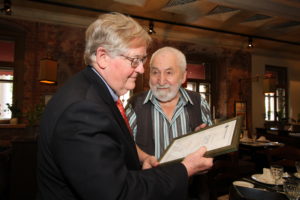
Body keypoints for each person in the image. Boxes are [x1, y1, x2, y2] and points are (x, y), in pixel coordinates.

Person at [37, 12, 213, 200]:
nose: (141, 69)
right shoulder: (84, 109)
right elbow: (117, 193)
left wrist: (143, 158)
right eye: (134, 60)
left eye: (142, 60)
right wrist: (185, 169)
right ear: (103, 57)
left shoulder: (93, 94)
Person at [126, 46, 213, 199]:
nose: (161, 80)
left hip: (191, 192)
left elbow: (213, 147)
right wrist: (144, 158)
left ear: (184, 76)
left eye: (169, 72)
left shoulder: (200, 103)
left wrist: (206, 145)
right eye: (155, 72)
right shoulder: (134, 104)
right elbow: (124, 144)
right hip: (149, 192)